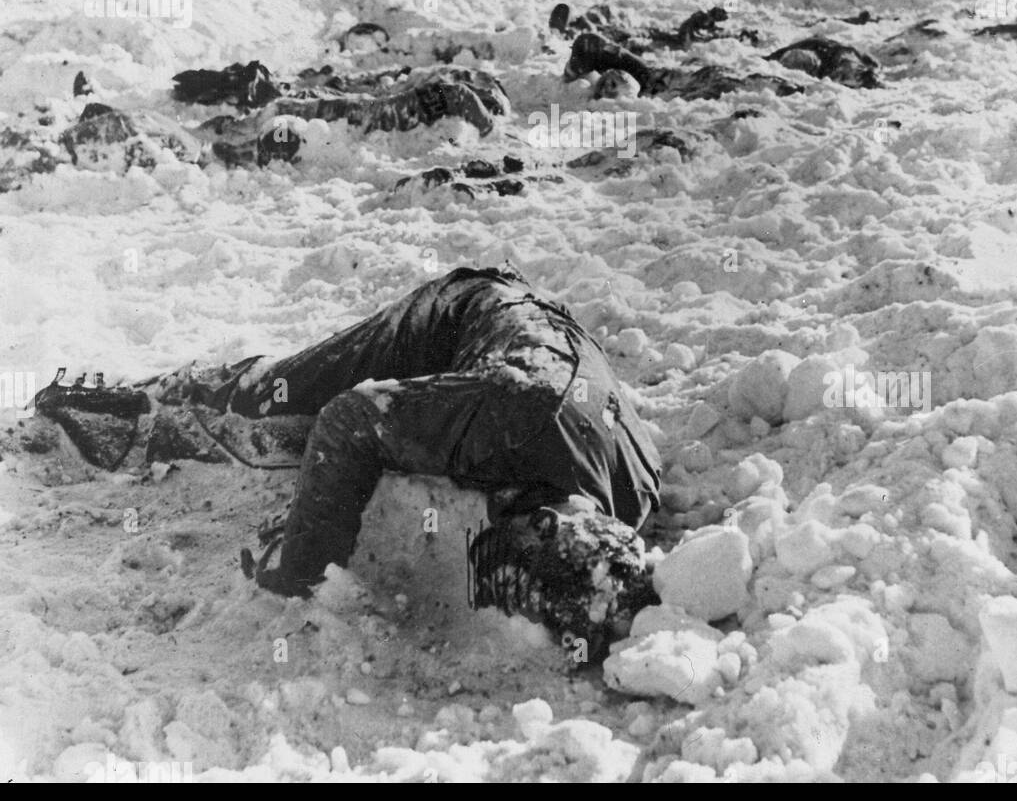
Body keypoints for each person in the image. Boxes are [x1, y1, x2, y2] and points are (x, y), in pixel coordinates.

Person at [33, 266, 662, 653]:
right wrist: (301, 568)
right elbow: (350, 417)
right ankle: (145, 398)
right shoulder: (514, 413)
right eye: (512, 558)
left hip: (546, 342)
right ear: (553, 522)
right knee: (276, 401)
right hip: (457, 315)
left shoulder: (631, 500)